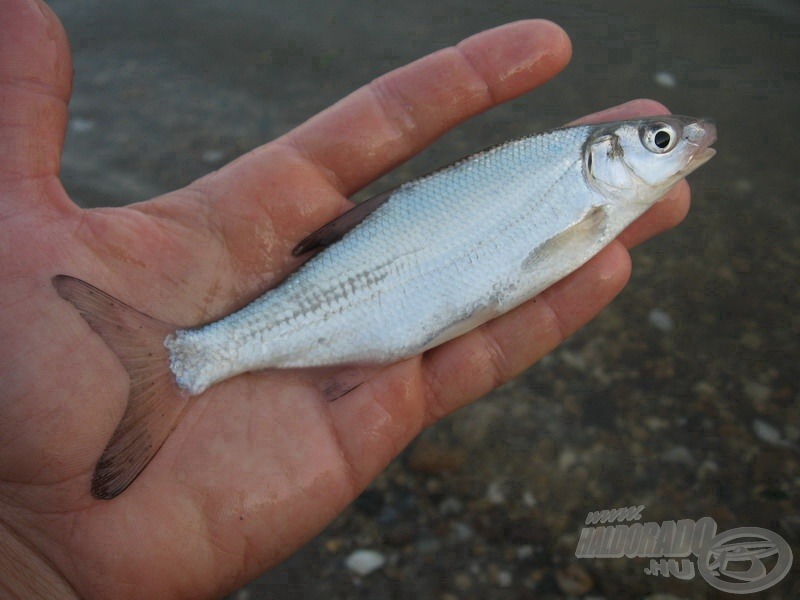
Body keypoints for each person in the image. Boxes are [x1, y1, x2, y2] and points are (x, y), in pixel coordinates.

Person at [0, 0, 690, 597]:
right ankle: (195, 359)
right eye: (662, 142)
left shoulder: (583, 186)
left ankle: (199, 358)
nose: (683, 144)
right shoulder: (575, 180)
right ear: (607, 157)